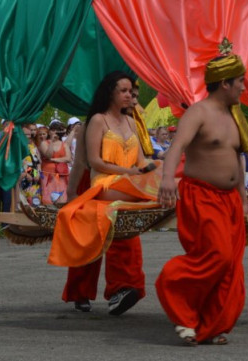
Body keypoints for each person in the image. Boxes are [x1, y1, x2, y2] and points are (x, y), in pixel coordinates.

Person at [156, 53, 248, 346]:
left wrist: (243, 199)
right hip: (202, 197)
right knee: (217, 257)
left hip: (230, 201)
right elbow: (177, 147)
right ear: (224, 83)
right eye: (240, 81)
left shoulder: (235, 116)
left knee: (230, 267)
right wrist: (167, 179)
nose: (244, 87)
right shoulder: (198, 112)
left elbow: (236, 160)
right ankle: (173, 289)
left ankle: (207, 328)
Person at [49, 71, 160, 316]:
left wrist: (156, 168)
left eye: (132, 92)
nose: (131, 97)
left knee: (129, 230)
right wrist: (72, 194)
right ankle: (86, 291)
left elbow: (142, 161)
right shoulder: (97, 121)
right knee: (90, 236)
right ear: (110, 93)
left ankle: (124, 288)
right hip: (105, 183)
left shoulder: (132, 122)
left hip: (129, 183)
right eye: (125, 91)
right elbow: (88, 162)